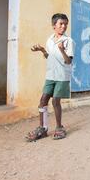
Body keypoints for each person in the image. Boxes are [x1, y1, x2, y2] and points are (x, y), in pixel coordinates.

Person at [25, 13, 74, 142]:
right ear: (54, 26)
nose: (63, 26)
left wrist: (62, 50)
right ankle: (43, 128)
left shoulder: (69, 41)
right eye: (61, 24)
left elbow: (68, 61)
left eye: (65, 24)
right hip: (50, 75)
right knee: (43, 100)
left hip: (62, 76)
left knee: (55, 101)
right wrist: (42, 50)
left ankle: (59, 127)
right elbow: (49, 57)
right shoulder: (49, 40)